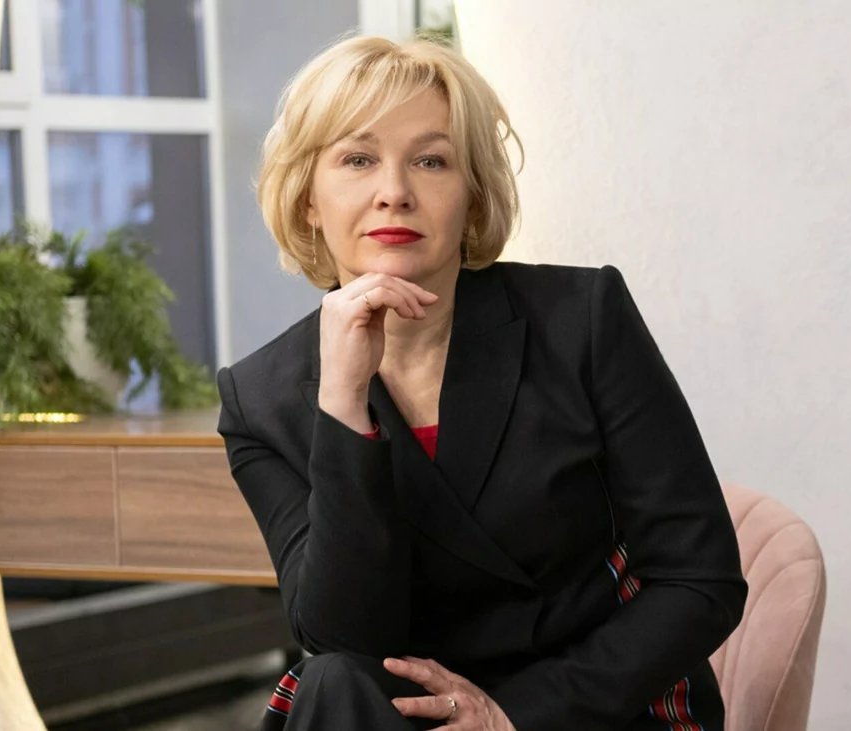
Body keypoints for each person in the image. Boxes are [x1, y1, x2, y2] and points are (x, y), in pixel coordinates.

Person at [216, 33, 747, 731]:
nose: (394, 193)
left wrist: (512, 716)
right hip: (399, 713)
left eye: (431, 160)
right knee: (333, 679)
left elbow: (700, 579)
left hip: (587, 706)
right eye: (357, 159)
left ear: (471, 196)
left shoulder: (583, 320)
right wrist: (343, 404)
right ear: (309, 199)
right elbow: (345, 634)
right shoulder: (258, 399)